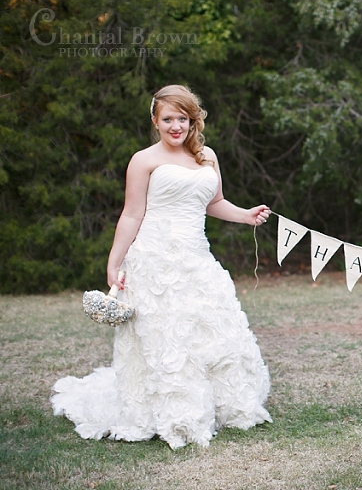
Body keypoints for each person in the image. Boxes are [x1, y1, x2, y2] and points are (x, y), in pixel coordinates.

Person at [51, 84, 273, 448]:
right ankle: (166, 412)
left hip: (196, 258)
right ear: (155, 120)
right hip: (154, 262)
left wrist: (246, 215)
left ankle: (222, 404)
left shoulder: (207, 157)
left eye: (182, 119)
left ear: (192, 121)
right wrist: (115, 261)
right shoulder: (143, 160)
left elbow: (214, 203)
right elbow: (132, 213)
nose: (176, 126)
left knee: (210, 330)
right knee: (166, 338)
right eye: (168, 119)